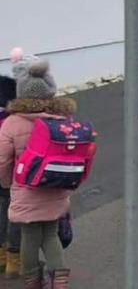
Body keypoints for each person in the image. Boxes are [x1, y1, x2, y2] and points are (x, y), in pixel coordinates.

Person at [0, 59, 76, 288]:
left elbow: (2, 160)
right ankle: (59, 279)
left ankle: (33, 280)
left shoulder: (13, 122)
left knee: (30, 235)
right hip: (55, 186)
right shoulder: (62, 119)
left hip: (24, 187)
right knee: (51, 233)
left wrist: (6, 183)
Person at [0, 60, 20, 278]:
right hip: (9, 176)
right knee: (13, 214)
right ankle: (14, 259)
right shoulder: (11, 121)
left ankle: (1, 256)